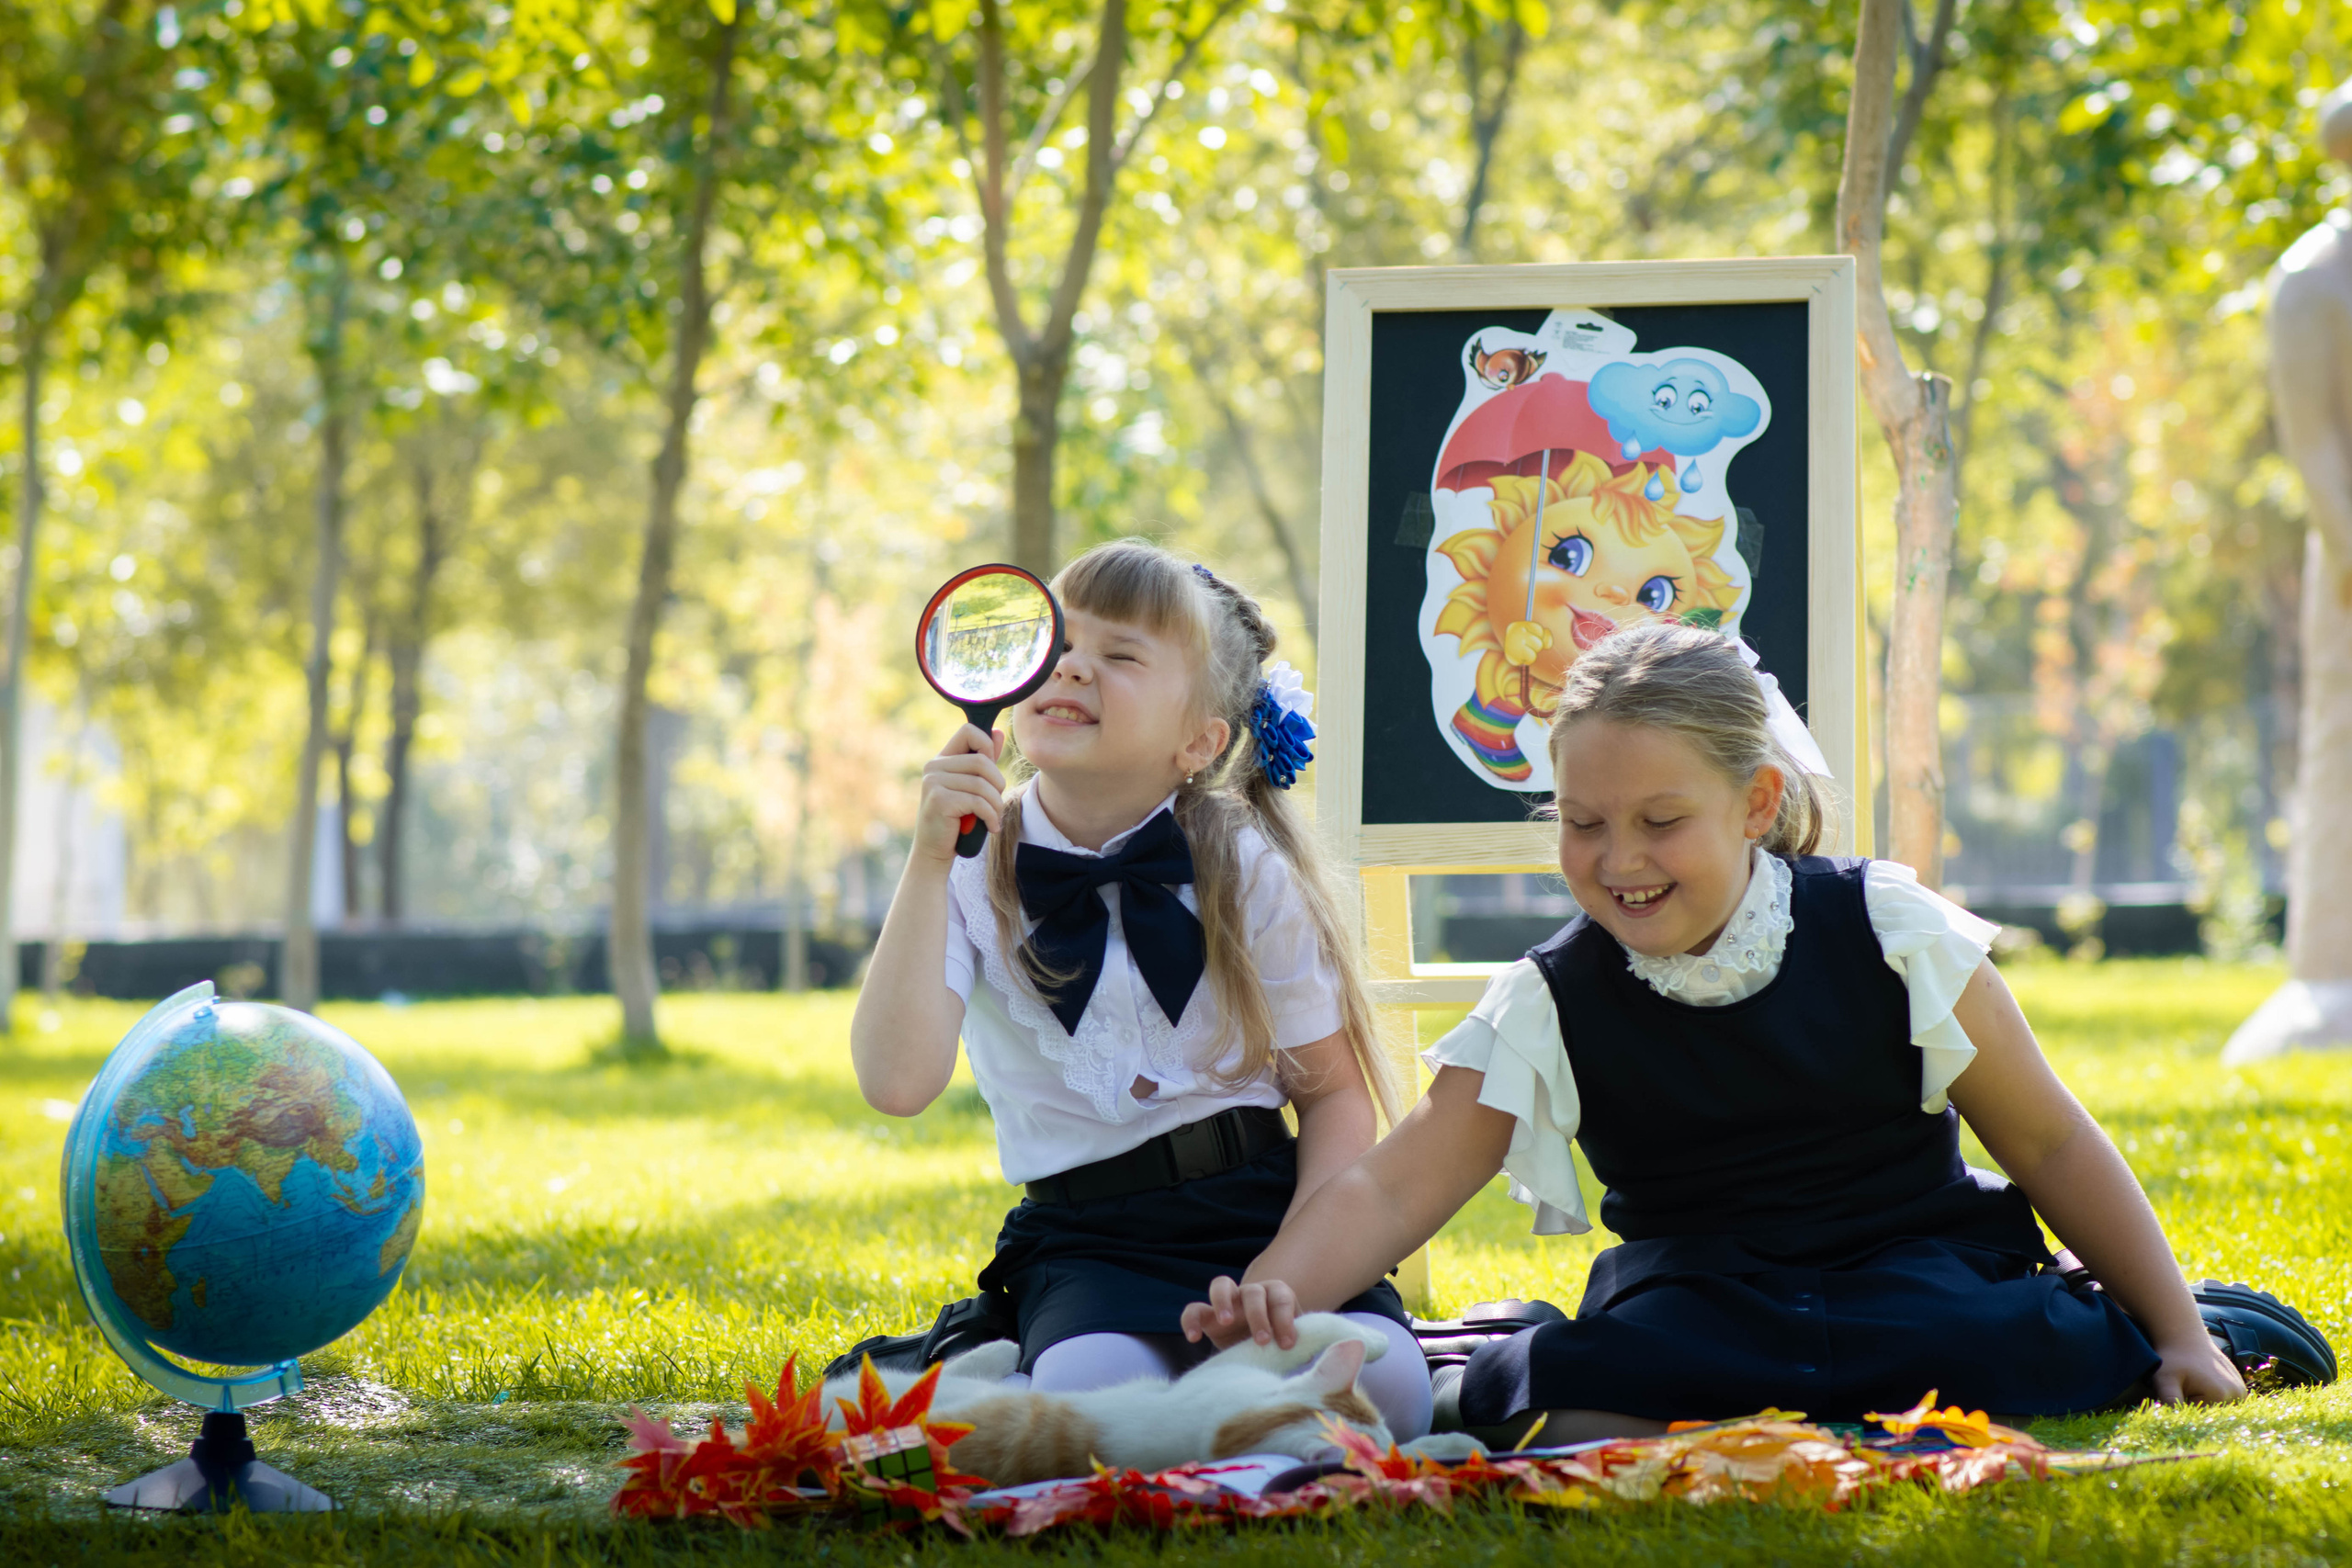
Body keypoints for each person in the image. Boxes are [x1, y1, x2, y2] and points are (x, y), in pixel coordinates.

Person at [1181, 620, 2246, 1440]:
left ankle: (2148, 1323)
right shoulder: (1551, 993)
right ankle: (1622, 1380)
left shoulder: (1885, 927)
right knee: (1568, 1393)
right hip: (1703, 1296)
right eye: (1583, 824)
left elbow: (2050, 1140)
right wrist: (1274, 1286)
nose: (1619, 859)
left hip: (1910, 1270)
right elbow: (1392, 1183)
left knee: (1988, 1351)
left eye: (1660, 822)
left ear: (1754, 802)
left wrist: (2177, 1334)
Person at [849, 539, 1432, 1439]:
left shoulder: (1243, 865)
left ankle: (1222, 1417)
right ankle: (1233, 1424)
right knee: (1092, 1393)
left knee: (1396, 1390)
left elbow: (1334, 1094)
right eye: (1058, 642)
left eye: (1119, 655)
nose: (1072, 665)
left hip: (1266, 1210)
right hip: (1090, 1239)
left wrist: (1287, 1270)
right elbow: (897, 1083)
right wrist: (929, 860)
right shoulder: (970, 869)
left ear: (1196, 742)